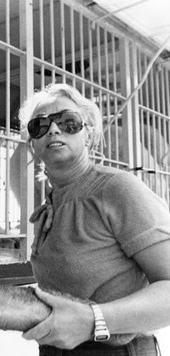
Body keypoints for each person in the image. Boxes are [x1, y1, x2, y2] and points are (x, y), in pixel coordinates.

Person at [18, 83, 170, 355]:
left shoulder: (117, 189)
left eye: (69, 122)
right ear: (32, 146)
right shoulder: (53, 204)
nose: (53, 129)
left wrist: (94, 320)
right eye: (39, 125)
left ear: (89, 135)